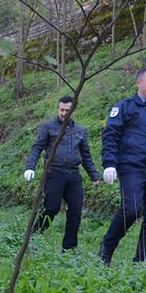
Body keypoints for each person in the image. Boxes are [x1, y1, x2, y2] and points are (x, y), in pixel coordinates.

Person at [98, 68, 146, 265]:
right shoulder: (124, 108)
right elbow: (111, 136)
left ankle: (142, 262)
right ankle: (106, 248)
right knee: (131, 210)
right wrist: (109, 164)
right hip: (132, 168)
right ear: (139, 83)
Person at [24, 95, 101, 250]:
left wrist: (94, 176)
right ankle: (34, 235)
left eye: (67, 110)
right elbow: (37, 148)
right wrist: (30, 167)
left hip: (73, 175)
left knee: (76, 210)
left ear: (73, 110)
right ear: (58, 109)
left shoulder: (80, 131)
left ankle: (69, 248)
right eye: (61, 109)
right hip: (54, 173)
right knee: (51, 208)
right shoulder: (48, 127)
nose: (64, 113)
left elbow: (86, 155)